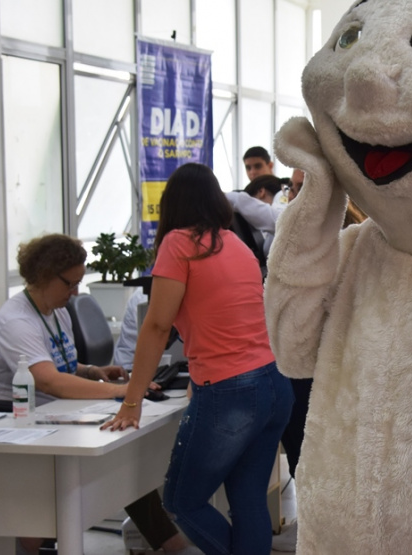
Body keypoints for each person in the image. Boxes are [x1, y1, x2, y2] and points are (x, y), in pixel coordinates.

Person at [102, 163, 294, 555]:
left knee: (180, 501)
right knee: (249, 501)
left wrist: (132, 400)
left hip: (231, 391)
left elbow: (157, 326)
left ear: (173, 204)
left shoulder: (178, 243)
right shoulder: (234, 244)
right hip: (274, 382)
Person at [0, 233, 195, 555]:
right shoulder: (16, 321)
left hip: (53, 413)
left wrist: (91, 371)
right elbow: (49, 380)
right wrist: (123, 390)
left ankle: (168, 542)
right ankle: (30, 542)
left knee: (121, 455)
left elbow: (54, 362)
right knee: (108, 457)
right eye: (70, 283)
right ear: (44, 275)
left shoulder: (55, 309)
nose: (76, 292)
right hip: (14, 424)